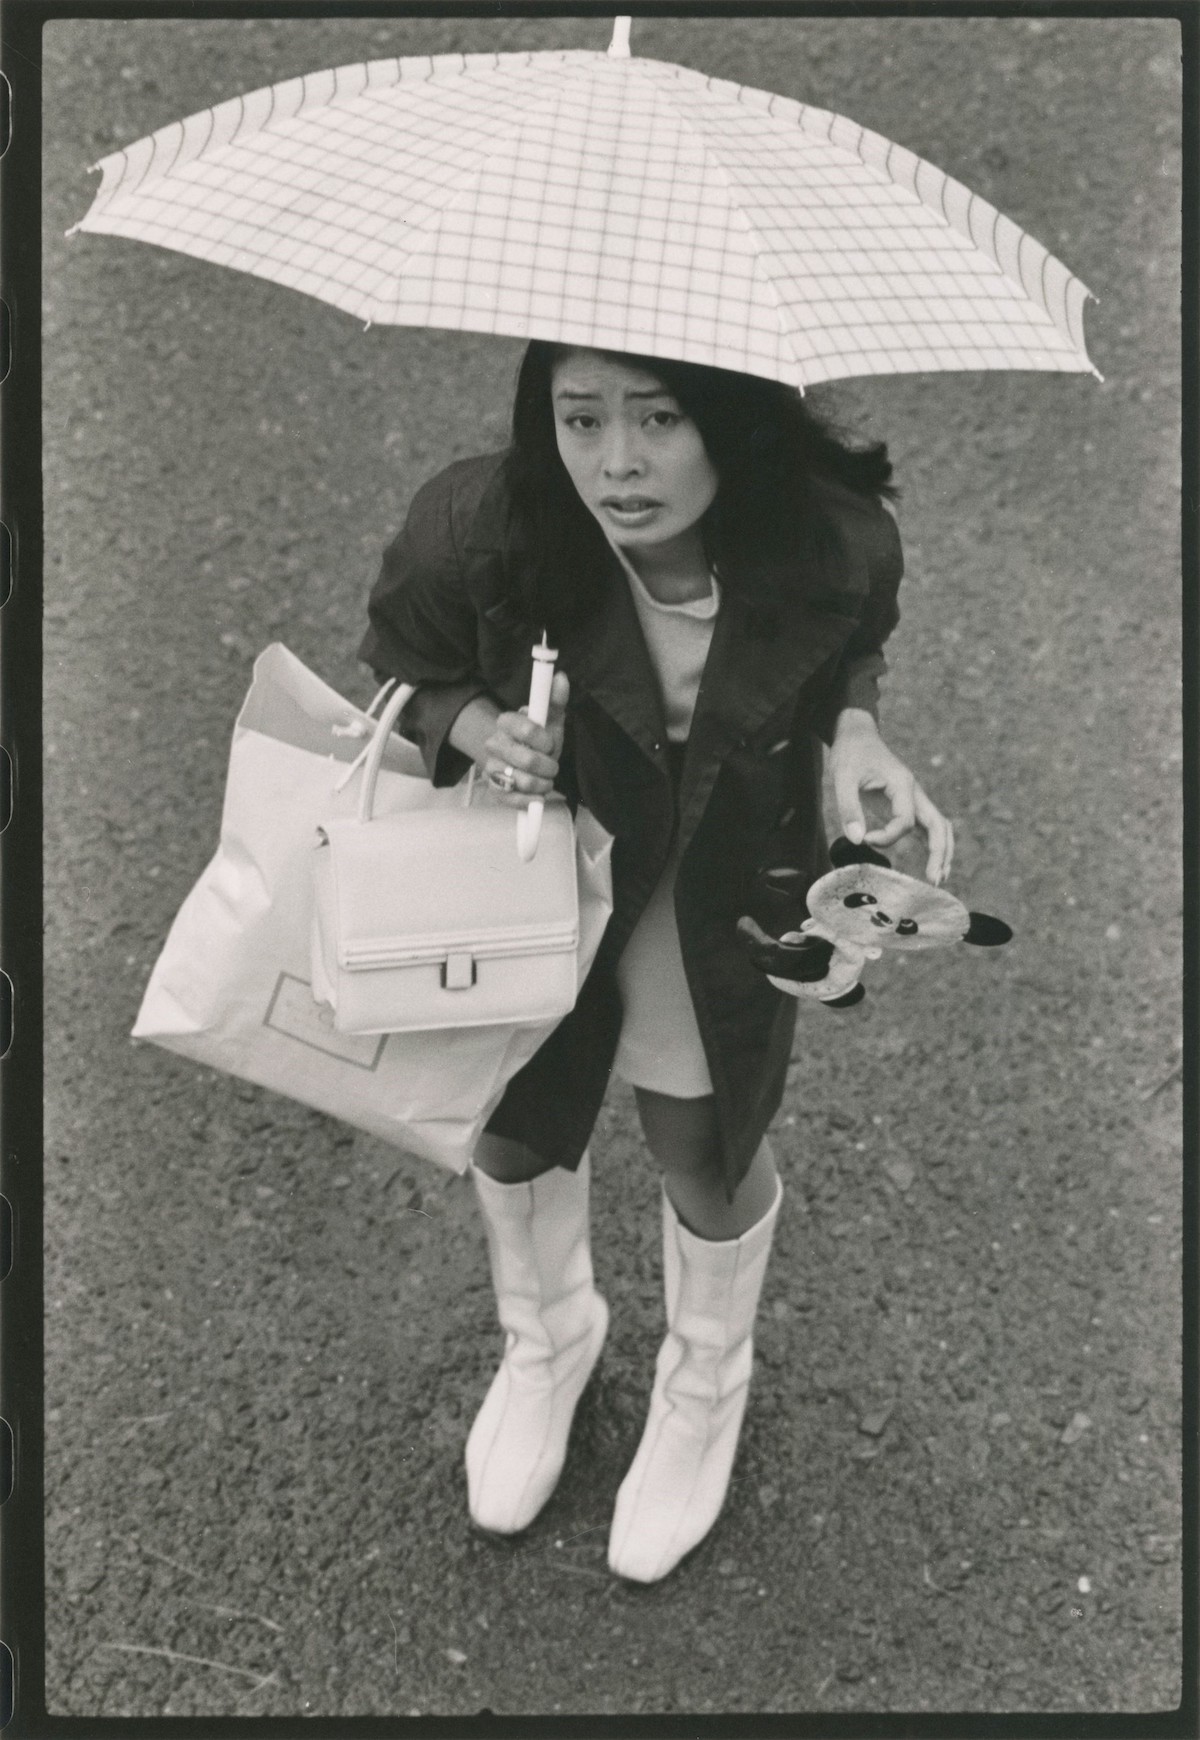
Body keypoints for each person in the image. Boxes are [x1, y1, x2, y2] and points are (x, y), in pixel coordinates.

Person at [360, 342, 953, 1584]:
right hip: (530, 872)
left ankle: (703, 1381)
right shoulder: (481, 528)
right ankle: (550, 1336)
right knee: (515, 1124)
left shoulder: (827, 540)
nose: (617, 463)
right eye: (581, 419)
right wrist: (481, 727)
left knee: (702, 1139)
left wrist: (857, 732)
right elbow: (407, 664)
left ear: (732, 424)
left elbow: (851, 650)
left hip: (709, 872)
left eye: (660, 419)